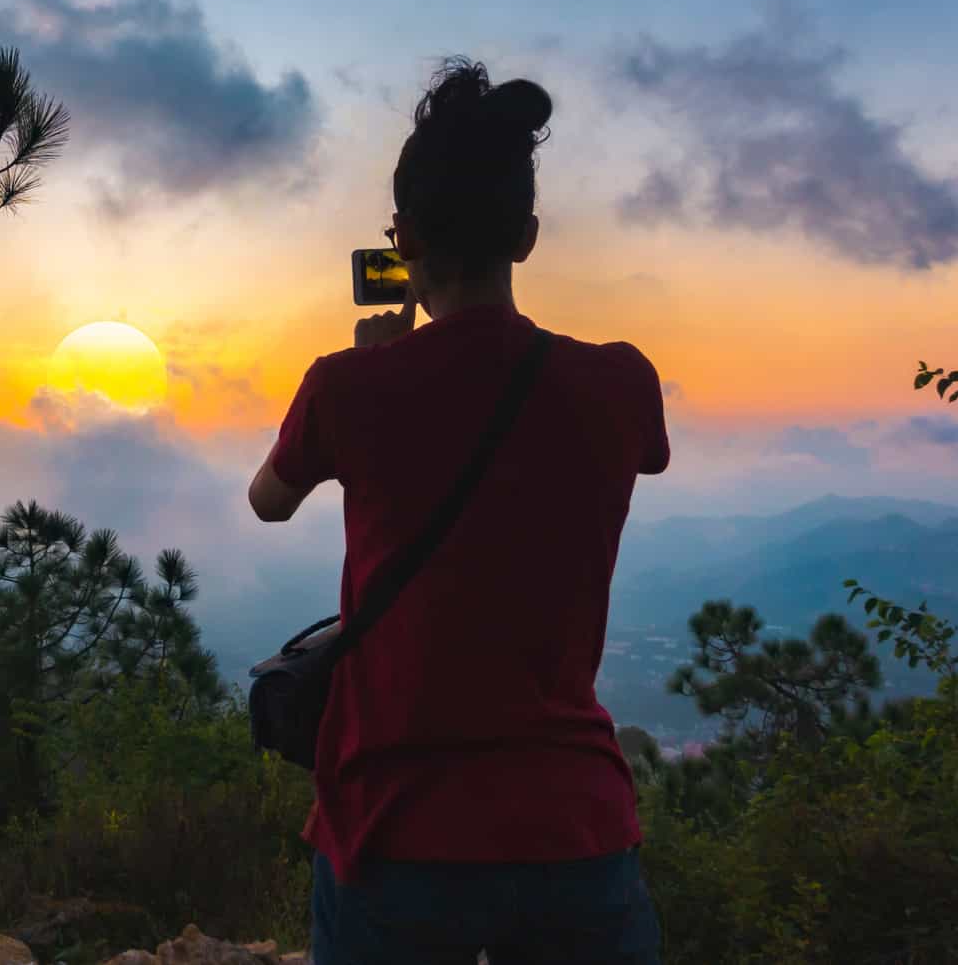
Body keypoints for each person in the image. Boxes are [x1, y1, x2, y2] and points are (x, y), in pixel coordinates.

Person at [249, 59, 669, 965]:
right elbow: (642, 451)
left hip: (392, 828)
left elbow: (267, 501)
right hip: (571, 825)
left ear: (403, 239)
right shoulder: (621, 382)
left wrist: (378, 362)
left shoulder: (347, 387)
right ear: (526, 235)